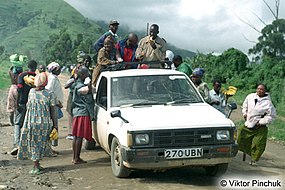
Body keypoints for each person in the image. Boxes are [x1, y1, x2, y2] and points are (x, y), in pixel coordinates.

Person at [17, 72, 57, 175]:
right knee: (41, 143)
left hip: (31, 122)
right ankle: (36, 165)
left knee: (33, 143)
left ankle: (36, 165)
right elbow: (53, 111)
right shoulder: (50, 94)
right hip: (44, 123)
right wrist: (55, 125)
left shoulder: (31, 92)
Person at [237, 83, 276, 166]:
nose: (259, 90)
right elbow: (245, 105)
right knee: (240, 135)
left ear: (265, 91)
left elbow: (271, 116)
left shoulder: (268, 103)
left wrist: (261, 122)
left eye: (261, 89)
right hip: (249, 123)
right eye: (258, 88)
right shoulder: (250, 97)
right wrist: (244, 113)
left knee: (258, 144)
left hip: (259, 127)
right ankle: (244, 151)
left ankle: (254, 159)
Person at [11, 60, 37, 156]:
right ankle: (28, 145)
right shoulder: (36, 77)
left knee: (17, 123)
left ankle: (17, 144)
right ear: (35, 67)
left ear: (28, 66)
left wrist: (16, 104)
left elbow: (19, 90)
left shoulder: (22, 75)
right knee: (29, 124)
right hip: (32, 103)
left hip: (22, 102)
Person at [71, 66, 94, 164]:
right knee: (79, 136)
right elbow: (87, 92)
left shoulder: (75, 84)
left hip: (77, 112)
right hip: (82, 112)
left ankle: (75, 157)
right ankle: (77, 158)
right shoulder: (81, 86)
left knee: (76, 136)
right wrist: (89, 84)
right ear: (84, 75)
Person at [46, 62, 64, 148]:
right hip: (54, 104)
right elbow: (50, 92)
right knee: (54, 125)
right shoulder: (52, 79)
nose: (60, 70)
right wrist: (58, 102)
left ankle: (52, 145)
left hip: (55, 104)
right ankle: (51, 146)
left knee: (54, 124)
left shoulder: (54, 78)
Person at [6, 54, 25, 126]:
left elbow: (10, 71)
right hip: (18, 88)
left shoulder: (11, 72)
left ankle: (11, 122)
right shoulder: (21, 73)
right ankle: (18, 122)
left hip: (12, 88)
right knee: (18, 105)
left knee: (11, 106)